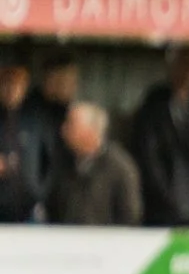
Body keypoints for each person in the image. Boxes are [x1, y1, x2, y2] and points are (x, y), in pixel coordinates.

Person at [132, 47, 189, 226]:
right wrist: (167, 198)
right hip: (162, 210)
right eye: (182, 64)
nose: (188, 71)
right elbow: (149, 157)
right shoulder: (154, 105)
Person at [47, 102, 141, 226]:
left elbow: (130, 216)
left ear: (90, 132)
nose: (63, 130)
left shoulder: (120, 167)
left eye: (71, 125)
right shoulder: (63, 163)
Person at [0, 50, 49, 223]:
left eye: (16, 84)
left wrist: (39, 192)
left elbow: (49, 161)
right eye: (6, 84)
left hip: (29, 209)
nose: (11, 90)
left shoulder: (35, 120)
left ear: (24, 87)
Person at [34, 54, 79, 174]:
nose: (72, 86)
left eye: (73, 81)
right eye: (64, 80)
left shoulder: (72, 112)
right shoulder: (32, 112)